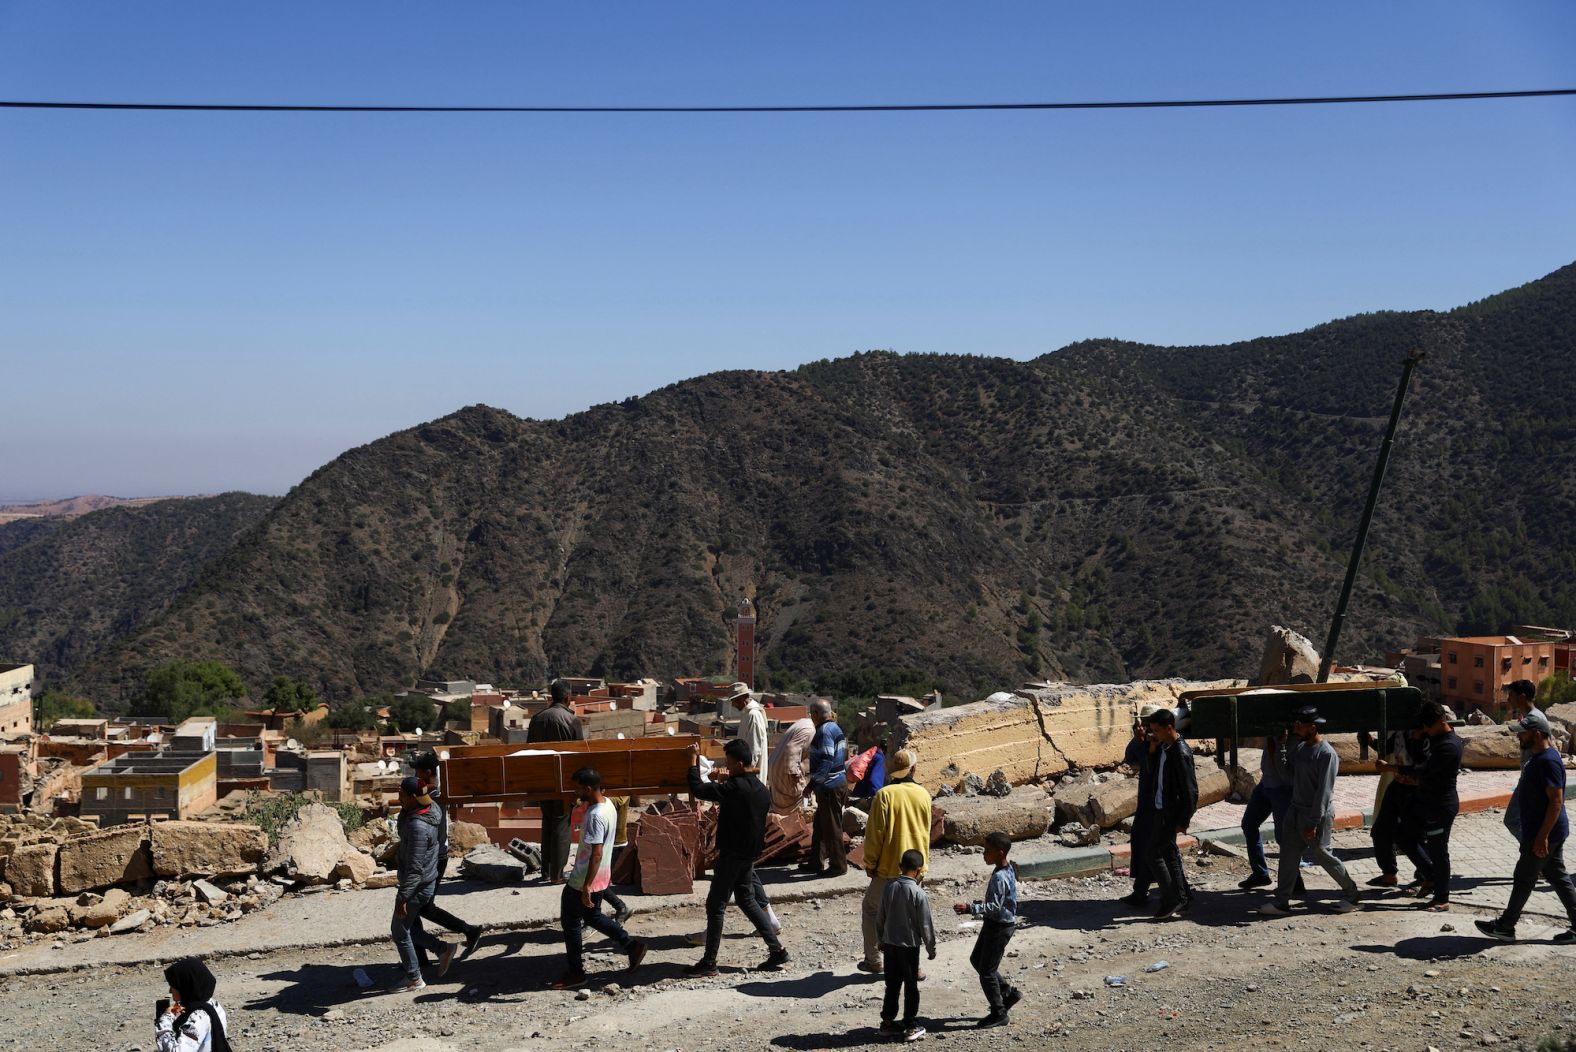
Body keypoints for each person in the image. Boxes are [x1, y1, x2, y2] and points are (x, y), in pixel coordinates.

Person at [684, 738, 790, 976]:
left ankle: (709, 963)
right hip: (748, 854)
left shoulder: (734, 788)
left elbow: (698, 789)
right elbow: (739, 798)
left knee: (716, 905)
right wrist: (725, 779)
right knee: (747, 900)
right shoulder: (760, 789)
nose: (727, 766)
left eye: (730, 762)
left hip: (732, 854)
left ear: (740, 763)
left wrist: (692, 761)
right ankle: (777, 951)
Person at [1474, 710, 1576, 943]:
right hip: (1546, 831)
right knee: (1557, 876)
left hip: (1544, 832)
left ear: (1538, 734)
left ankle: (1506, 926)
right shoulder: (1538, 756)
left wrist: (1542, 838)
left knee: (1523, 878)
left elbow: (1556, 801)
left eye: (1523, 734)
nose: (1519, 738)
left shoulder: (1547, 761)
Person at [552, 767, 647, 988]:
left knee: (571, 923)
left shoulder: (595, 816)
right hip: (600, 877)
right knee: (593, 917)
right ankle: (631, 946)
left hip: (583, 879)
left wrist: (586, 886)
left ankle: (576, 972)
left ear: (587, 788)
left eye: (577, 788)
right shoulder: (607, 805)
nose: (575, 792)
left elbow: (596, 852)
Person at [1261, 706, 1360, 916]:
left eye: (1300, 725)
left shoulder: (1326, 754)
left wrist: (1313, 822)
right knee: (1288, 854)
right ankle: (1281, 902)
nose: (1296, 728)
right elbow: (1288, 776)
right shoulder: (1301, 749)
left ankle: (1352, 895)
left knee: (1323, 855)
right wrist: (1281, 748)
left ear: (1313, 728)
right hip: (1296, 811)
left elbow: (1324, 792)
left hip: (1315, 816)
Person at [1384, 701, 1464, 911]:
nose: (1425, 730)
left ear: (1441, 721)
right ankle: (1430, 875)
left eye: (1429, 727)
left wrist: (1390, 767)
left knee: (1439, 850)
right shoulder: (1434, 737)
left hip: (1440, 805)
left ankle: (1442, 898)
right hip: (1424, 800)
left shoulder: (1449, 746)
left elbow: (1423, 771)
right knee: (1402, 835)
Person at [859, 748, 933, 974]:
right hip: (916, 869)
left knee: (872, 910)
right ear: (913, 769)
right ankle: (914, 966)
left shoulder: (885, 795)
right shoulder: (924, 795)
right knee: (911, 917)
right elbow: (926, 832)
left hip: (888, 868)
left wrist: (870, 864)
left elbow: (875, 835)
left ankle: (874, 960)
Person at [407, 749, 483, 962]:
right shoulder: (437, 786)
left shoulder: (436, 792)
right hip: (434, 855)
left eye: (419, 773)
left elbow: (417, 796)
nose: (416, 777)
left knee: (419, 906)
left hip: (434, 857)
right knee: (418, 906)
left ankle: (462, 934)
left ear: (428, 772)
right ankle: (420, 956)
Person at [389, 775, 454, 992]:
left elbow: (415, 868)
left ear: (414, 798)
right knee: (405, 928)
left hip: (417, 886)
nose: (399, 798)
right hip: (424, 881)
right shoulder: (427, 808)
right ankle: (442, 949)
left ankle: (414, 978)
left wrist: (402, 898)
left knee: (399, 931)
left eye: (402, 795)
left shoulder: (418, 827)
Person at [955, 831, 1022, 1029]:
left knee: (986, 972)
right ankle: (1007, 993)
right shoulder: (1006, 869)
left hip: (1000, 927)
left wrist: (970, 908)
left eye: (988, 851)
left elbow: (995, 906)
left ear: (1000, 853)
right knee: (977, 960)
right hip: (995, 924)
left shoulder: (1000, 877)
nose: (984, 854)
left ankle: (999, 1012)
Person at [1142, 707, 1198, 919]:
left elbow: (1190, 790)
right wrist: (1153, 752)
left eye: (1156, 730)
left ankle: (1172, 899)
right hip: (1161, 808)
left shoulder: (1180, 752)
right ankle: (1182, 898)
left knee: (1153, 854)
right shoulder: (1165, 748)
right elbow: (1155, 774)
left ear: (1169, 728)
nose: (1153, 734)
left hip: (1170, 812)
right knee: (1168, 854)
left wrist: (1184, 819)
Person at [528, 679, 585, 883]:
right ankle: (557, 874)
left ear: (552, 697)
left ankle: (545, 870)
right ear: (568, 697)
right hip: (564, 781)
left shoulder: (537, 719)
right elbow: (579, 755)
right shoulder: (572, 720)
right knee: (561, 824)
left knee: (548, 822)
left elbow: (528, 751)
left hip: (543, 781)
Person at [878, 848, 936, 1041]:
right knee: (911, 985)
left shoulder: (889, 887)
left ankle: (887, 1022)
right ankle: (911, 1025)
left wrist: (881, 940)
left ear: (900, 867)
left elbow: (880, 917)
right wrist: (930, 947)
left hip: (890, 945)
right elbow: (925, 923)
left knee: (892, 984)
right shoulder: (918, 893)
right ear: (919, 871)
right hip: (909, 946)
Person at [1360, 725, 1426, 888]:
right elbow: (1388, 748)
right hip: (1398, 785)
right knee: (1380, 830)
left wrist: (1389, 768)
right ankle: (1389, 874)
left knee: (1414, 835)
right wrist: (1370, 741)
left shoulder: (1423, 736)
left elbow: (1420, 768)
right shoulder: (1400, 731)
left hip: (1416, 789)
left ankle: (1426, 874)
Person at [1238, 730, 1294, 890]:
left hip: (1282, 789)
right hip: (1266, 785)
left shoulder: (1292, 737)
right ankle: (1260, 874)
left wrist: (1282, 744)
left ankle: (1294, 881)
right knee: (1249, 824)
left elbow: (1286, 771)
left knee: (1284, 837)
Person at [1118, 705, 1161, 908]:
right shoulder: (1146, 742)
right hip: (1146, 800)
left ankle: (1178, 891)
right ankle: (1141, 890)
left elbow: (1151, 765)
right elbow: (1130, 757)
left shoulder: (1162, 744)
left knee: (1159, 848)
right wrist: (1138, 740)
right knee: (1143, 842)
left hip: (1158, 802)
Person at [805, 699, 849, 878]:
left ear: (816, 714)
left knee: (832, 828)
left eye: (811, 714)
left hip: (829, 786)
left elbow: (826, 760)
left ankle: (838, 866)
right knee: (821, 826)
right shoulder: (835, 728)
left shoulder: (823, 732)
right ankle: (816, 862)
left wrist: (812, 785)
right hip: (838, 782)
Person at [156, 958, 230, 1052]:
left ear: (185, 986)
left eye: (173, 986)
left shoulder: (197, 1017)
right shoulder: (213, 1005)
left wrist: (165, 1019)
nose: (170, 991)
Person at [1501, 679, 1544, 841]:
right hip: (1530, 777)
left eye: (1511, 695)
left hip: (1533, 779)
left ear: (1522, 697)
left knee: (1512, 820)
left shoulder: (1534, 719)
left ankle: (1532, 849)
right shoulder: (1530, 716)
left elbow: (1512, 730)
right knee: (1527, 820)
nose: (1508, 699)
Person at [768, 716, 816, 814]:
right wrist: (796, 775)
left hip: (778, 769)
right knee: (796, 813)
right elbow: (792, 749)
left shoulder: (803, 723)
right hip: (788, 774)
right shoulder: (810, 729)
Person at [729, 683, 768, 784]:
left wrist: (746, 774)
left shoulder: (753, 715)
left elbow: (754, 749)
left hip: (751, 778)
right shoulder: (747, 714)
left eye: (734, 701)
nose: (733, 705)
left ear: (742, 698)